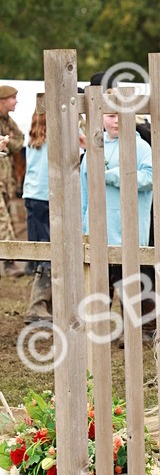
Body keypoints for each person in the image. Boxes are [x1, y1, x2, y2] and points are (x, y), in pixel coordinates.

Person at [80, 109, 153, 333]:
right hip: (97, 229)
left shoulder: (141, 147)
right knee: (99, 283)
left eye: (122, 114)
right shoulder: (93, 148)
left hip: (128, 230)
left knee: (130, 282)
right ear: (100, 117)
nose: (117, 120)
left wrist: (112, 175)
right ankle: (100, 329)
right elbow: (85, 190)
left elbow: (149, 178)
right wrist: (83, 224)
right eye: (111, 115)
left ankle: (133, 330)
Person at [22, 96, 51, 324]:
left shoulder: (33, 139)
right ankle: (37, 305)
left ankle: (43, 304)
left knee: (42, 248)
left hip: (32, 196)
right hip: (45, 198)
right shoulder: (53, 140)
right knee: (48, 251)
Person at [0, 85, 26, 277]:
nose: (16, 102)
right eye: (13, 98)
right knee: (3, 219)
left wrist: (7, 144)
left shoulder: (7, 121)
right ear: (2, 100)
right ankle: (9, 261)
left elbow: (19, 141)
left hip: (5, 180)